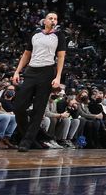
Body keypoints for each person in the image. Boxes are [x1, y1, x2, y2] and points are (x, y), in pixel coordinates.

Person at [10, 11, 66, 151]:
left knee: (38, 109)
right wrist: (17, 71)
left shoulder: (59, 35)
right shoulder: (35, 33)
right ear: (44, 21)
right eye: (50, 18)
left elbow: (60, 57)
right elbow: (26, 54)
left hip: (47, 72)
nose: (53, 20)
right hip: (31, 70)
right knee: (19, 107)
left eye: (55, 18)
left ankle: (27, 142)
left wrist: (58, 77)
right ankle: (31, 138)